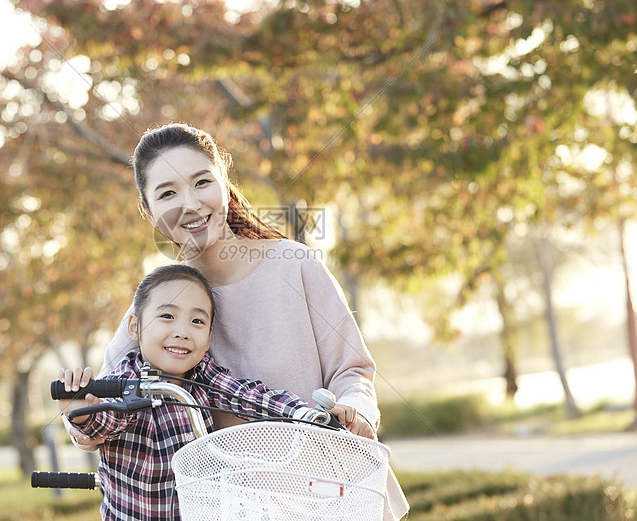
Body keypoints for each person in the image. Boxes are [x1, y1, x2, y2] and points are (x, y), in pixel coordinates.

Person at [63, 122, 408, 519]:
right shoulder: (158, 307)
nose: (190, 205)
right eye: (168, 193)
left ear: (224, 182)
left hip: (328, 495)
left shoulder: (294, 265)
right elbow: (107, 406)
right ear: (148, 210)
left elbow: (353, 372)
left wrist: (354, 412)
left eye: (201, 183)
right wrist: (79, 417)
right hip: (239, 508)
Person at [57, 263, 325, 520]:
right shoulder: (127, 380)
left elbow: (247, 396)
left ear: (209, 337)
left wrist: (305, 413)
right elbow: (107, 420)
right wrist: (82, 412)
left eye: (197, 321)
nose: (183, 332)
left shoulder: (204, 375)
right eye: (167, 316)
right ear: (135, 327)